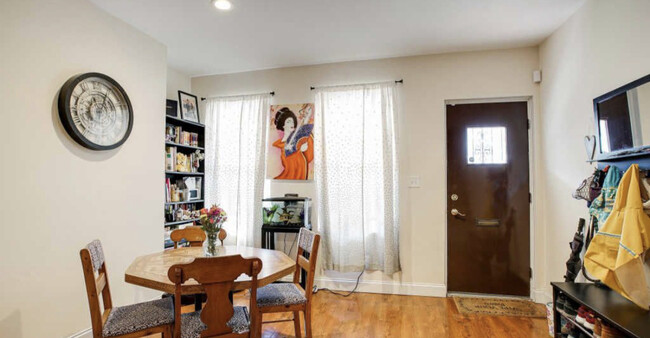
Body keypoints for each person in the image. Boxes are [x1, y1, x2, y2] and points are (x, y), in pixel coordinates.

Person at [272, 106, 313, 180]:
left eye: (292, 121)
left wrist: (307, 116)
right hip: (290, 176)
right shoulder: (281, 145)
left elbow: (303, 132)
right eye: (288, 121)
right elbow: (288, 163)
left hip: (302, 175)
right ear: (283, 125)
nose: (292, 123)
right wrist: (300, 150)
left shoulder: (295, 137)